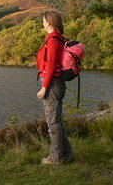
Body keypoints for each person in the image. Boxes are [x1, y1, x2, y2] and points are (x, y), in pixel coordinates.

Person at [36, 10, 74, 164]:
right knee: (56, 121)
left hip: (52, 84)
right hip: (56, 83)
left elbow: (51, 65)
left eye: (43, 20)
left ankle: (56, 158)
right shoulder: (58, 39)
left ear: (49, 22)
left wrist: (44, 87)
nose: (42, 23)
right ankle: (67, 154)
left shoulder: (53, 40)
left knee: (52, 122)